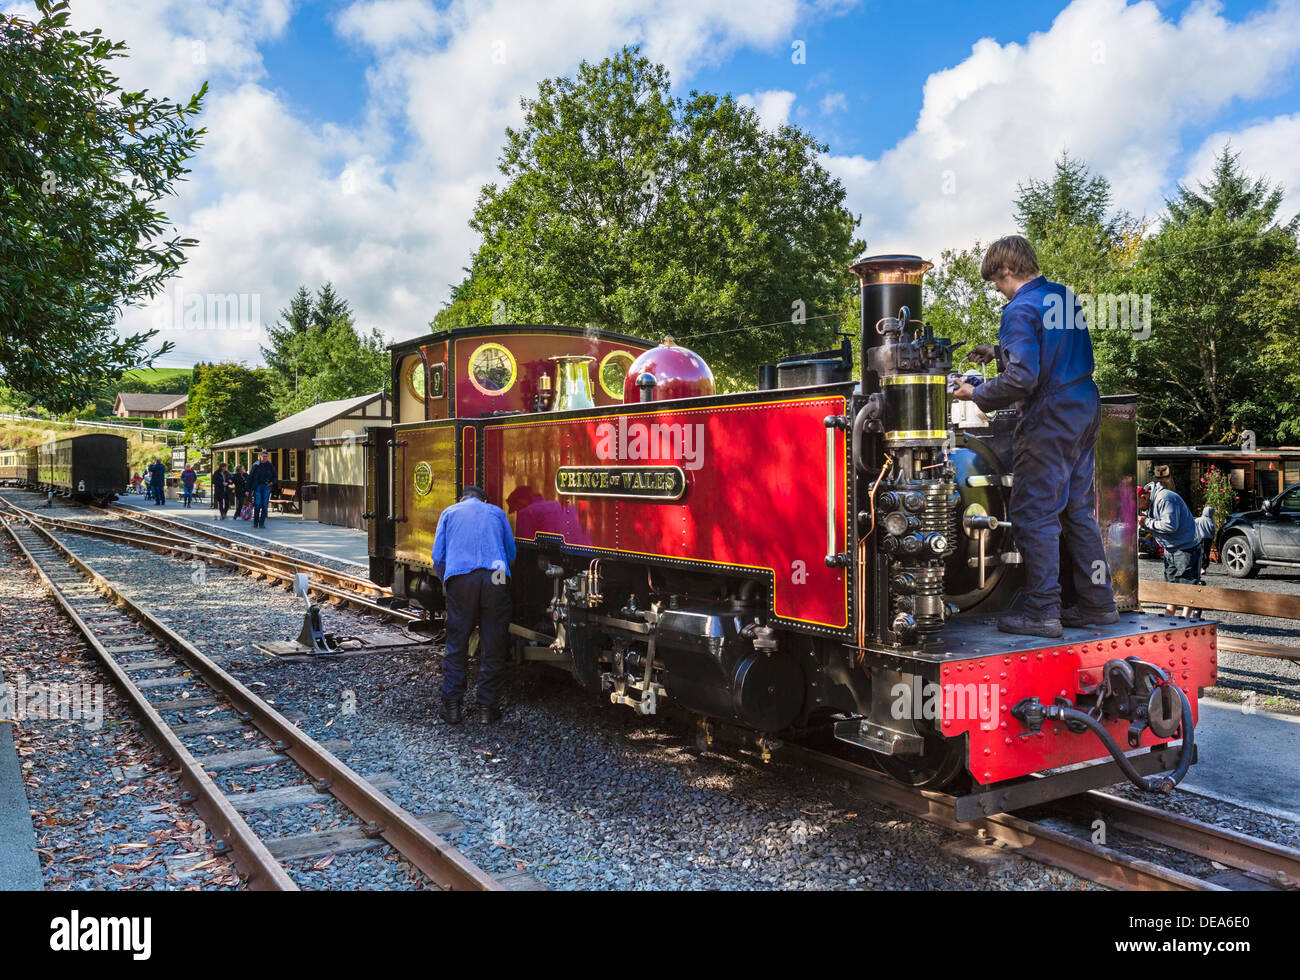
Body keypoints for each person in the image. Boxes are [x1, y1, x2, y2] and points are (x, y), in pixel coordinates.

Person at [952, 235, 1117, 638]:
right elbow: (1051, 350)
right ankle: (1098, 604)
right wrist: (998, 351)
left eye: (995, 281)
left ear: (1007, 270)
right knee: (1078, 510)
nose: (996, 289)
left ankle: (1042, 610)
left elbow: (1024, 378)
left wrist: (976, 393)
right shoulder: (1062, 297)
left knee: (1033, 512)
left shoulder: (1019, 309)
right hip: (1083, 405)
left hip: (1050, 415)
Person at [430, 486, 516, 725]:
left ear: (462, 499)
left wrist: (448, 580)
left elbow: (438, 557)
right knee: (493, 641)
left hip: (461, 578)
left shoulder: (449, 513)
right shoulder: (497, 513)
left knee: (457, 642)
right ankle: (487, 708)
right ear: (484, 500)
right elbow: (510, 553)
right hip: (495, 577)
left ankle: (452, 707)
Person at [1141, 478, 1201, 587]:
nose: (1140, 511)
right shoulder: (1150, 502)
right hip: (1171, 549)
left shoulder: (1164, 499)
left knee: (1187, 589)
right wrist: (1145, 525)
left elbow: (1170, 525)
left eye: (1139, 507)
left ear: (1144, 497)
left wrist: (1147, 522)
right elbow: (1157, 526)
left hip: (1185, 549)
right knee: (1171, 589)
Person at [248, 451, 276, 529]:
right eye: (263, 456)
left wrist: (272, 482)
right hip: (257, 487)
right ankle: (255, 523)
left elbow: (275, 476)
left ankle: (261, 523)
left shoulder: (270, 466)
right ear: (260, 456)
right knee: (257, 505)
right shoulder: (255, 465)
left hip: (266, 486)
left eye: (266, 456)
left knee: (264, 505)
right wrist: (248, 489)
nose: (265, 458)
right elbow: (250, 477)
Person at [1194, 505, 1216, 581]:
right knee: (1206, 553)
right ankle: (1204, 568)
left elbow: (1193, 528)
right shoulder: (1211, 521)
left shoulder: (1198, 520)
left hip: (1199, 538)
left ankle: (1197, 567)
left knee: (1198, 553)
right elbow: (1213, 530)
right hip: (1208, 539)